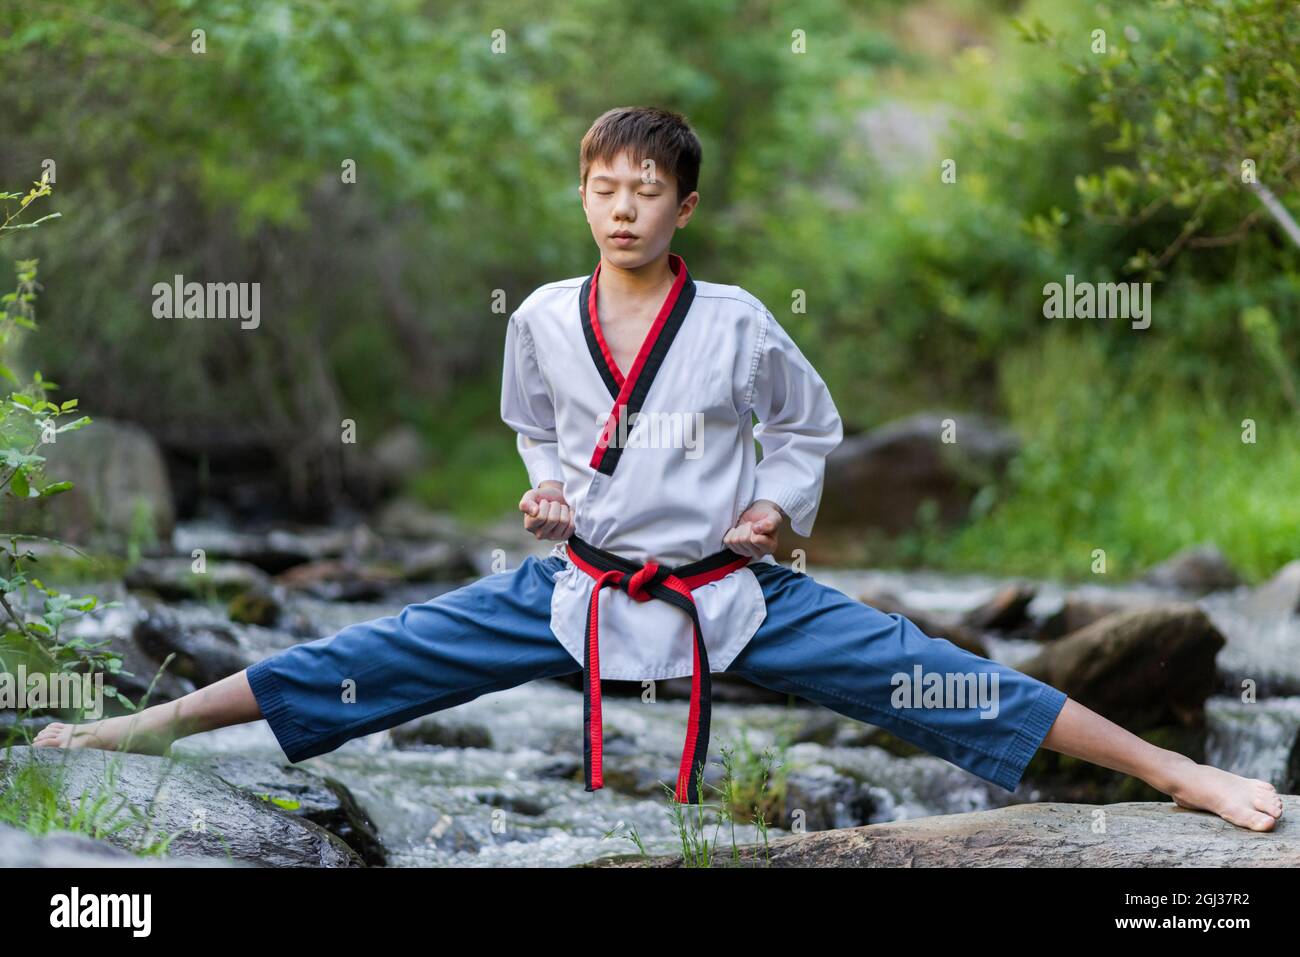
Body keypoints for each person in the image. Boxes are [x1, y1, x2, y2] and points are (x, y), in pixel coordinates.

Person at [35, 106, 1282, 831]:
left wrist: (771, 509)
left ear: (684, 206)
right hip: (575, 589)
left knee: (942, 679)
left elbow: (810, 428)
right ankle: (143, 729)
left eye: (645, 190)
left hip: (722, 595)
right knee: (365, 658)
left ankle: (1182, 774)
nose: (621, 208)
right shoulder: (536, 317)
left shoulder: (739, 321)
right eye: (602, 188)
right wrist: (546, 491)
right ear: (583, 197)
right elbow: (537, 426)